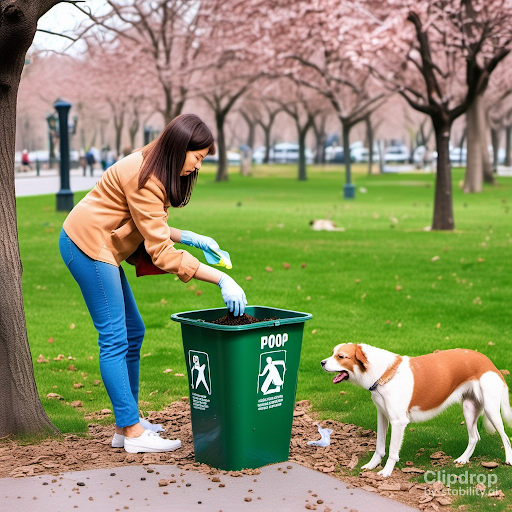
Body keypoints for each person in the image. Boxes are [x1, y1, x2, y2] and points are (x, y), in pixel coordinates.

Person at [59, 114, 247, 454]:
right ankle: (132, 431)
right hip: (87, 245)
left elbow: (150, 222)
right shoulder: (146, 176)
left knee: (134, 332)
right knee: (115, 337)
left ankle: (125, 424)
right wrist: (221, 278)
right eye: (198, 157)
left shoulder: (153, 164)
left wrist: (191, 237)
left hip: (100, 244)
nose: (198, 167)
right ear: (181, 147)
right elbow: (161, 252)